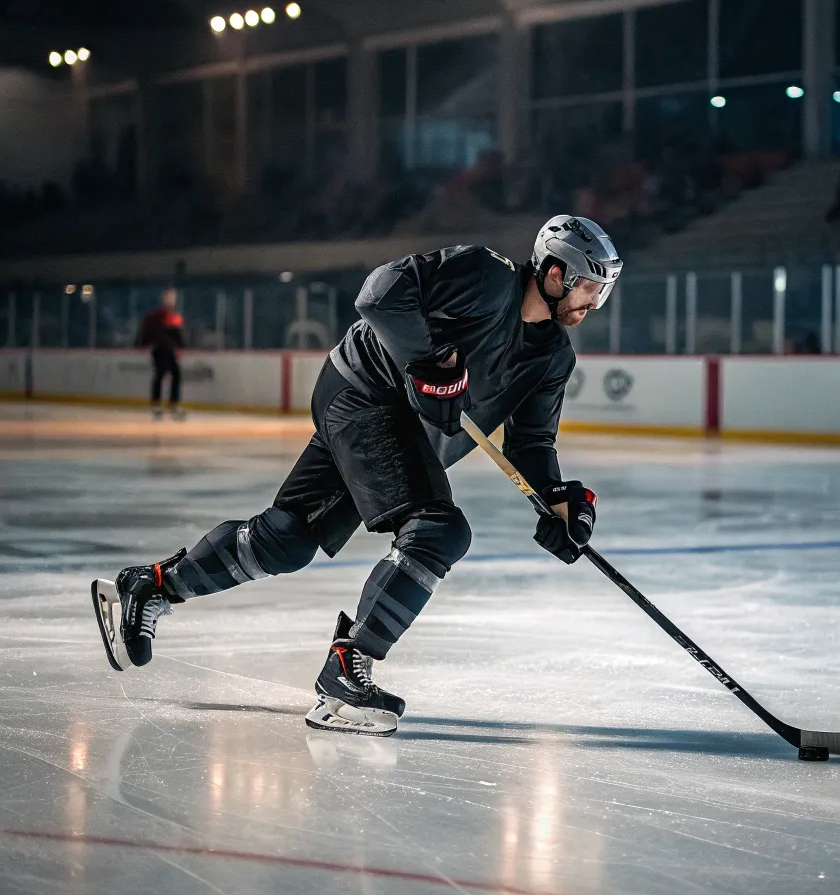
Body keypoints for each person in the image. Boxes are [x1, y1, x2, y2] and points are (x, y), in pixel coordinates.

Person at [92, 217, 623, 737]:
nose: (592, 303)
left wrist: (557, 498)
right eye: (588, 287)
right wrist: (427, 362)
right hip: (364, 394)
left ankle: (152, 586)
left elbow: (531, 444)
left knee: (289, 538)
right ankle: (347, 669)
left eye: (602, 292)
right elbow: (378, 293)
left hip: (398, 428)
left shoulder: (553, 355)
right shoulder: (484, 276)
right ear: (554, 273)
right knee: (439, 529)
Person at [137, 288, 186, 420]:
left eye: (173, 298)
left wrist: (180, 348)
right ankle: (157, 404)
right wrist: (142, 343)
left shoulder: (175, 318)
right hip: (159, 350)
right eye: (168, 298)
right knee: (160, 374)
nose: (171, 301)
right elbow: (146, 332)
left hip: (170, 351)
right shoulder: (155, 317)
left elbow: (178, 337)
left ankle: (174, 404)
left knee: (176, 375)